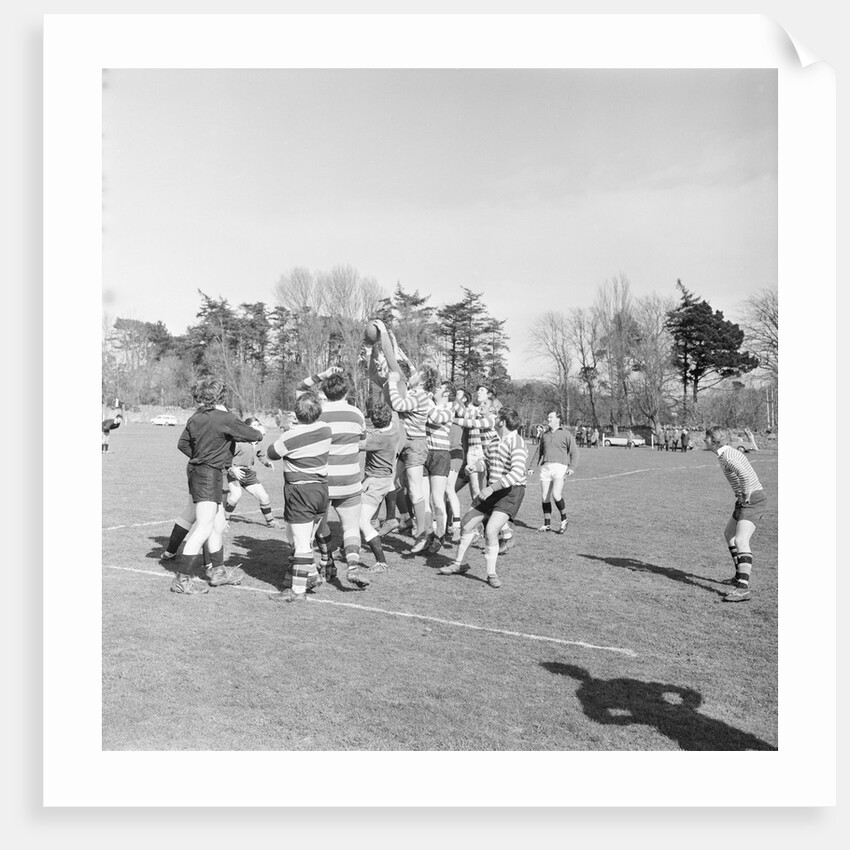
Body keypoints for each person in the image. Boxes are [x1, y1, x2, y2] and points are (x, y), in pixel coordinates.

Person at [163, 376, 263, 595]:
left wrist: (201, 457)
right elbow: (255, 434)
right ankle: (182, 580)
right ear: (222, 395)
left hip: (200, 472)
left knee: (217, 525)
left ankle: (217, 572)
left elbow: (182, 444)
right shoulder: (225, 417)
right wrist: (209, 459)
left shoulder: (195, 417)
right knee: (204, 528)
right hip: (208, 475)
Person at [437, 408, 528, 589]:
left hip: (510, 492)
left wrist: (491, 488)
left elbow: (517, 473)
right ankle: (459, 564)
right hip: (492, 489)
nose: (492, 419)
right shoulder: (495, 439)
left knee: (491, 530)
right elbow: (487, 461)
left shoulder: (516, 442)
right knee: (467, 524)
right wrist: (475, 466)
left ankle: (491, 574)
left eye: (496, 418)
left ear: (502, 422)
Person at [266, 391, 333, 603]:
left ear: (296, 413)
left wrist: (286, 428)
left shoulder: (289, 437)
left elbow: (271, 452)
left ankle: (297, 590)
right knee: (295, 536)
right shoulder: (325, 429)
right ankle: (311, 575)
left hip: (301, 492)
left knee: (302, 543)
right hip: (321, 490)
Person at [311, 371, 371, 588]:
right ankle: (353, 567)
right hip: (350, 480)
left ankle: (327, 562)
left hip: (323, 479)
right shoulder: (356, 414)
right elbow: (362, 441)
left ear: (325, 392)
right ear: (347, 391)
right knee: (351, 527)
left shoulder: (319, 412)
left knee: (319, 525)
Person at [703, 425, 766, 603]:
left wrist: (745, 495)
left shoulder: (727, 455)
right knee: (729, 534)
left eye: (706, 438)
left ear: (714, 440)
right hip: (744, 500)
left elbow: (745, 476)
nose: (703, 441)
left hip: (753, 500)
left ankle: (742, 589)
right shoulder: (726, 453)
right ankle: (739, 576)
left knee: (740, 540)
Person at [358, 399, 399, 572]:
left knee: (362, 520)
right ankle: (348, 549)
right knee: (353, 513)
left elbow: (356, 444)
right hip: (379, 479)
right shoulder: (394, 427)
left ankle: (381, 562)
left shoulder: (376, 438)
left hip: (376, 482)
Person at [415, 379, 455, 553]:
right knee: (423, 498)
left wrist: (425, 401)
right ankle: (426, 535)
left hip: (440, 454)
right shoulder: (430, 403)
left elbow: (436, 418)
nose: (435, 389)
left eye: (439, 388)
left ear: (446, 393)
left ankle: (440, 535)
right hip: (425, 453)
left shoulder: (449, 408)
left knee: (437, 499)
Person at [222, 416, 278, 529]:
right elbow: (225, 457)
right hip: (235, 471)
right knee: (236, 495)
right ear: (247, 428)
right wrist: (232, 468)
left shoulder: (258, 442)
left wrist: (267, 463)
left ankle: (270, 522)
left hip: (248, 473)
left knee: (264, 497)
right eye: (254, 426)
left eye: (258, 425)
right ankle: (224, 521)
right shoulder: (238, 441)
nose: (257, 428)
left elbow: (261, 455)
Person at [527, 409, 578, 533]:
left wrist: (572, 467)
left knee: (556, 495)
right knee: (545, 497)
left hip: (560, 467)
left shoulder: (566, 434)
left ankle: (564, 520)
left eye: (551, 417)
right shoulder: (545, 434)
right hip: (546, 467)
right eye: (548, 417)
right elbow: (539, 451)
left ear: (557, 419)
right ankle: (547, 524)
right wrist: (532, 467)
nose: (548, 419)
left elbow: (574, 452)